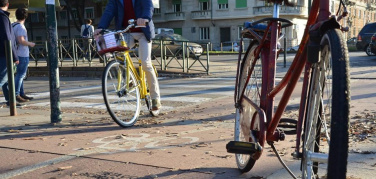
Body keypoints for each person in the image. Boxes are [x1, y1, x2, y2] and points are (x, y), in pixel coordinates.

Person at [95, 0, 161, 110]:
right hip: (126, 32)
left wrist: (145, 18)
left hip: (143, 32)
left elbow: (148, 6)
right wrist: (101, 27)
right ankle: (130, 79)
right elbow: (109, 12)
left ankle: (155, 98)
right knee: (119, 54)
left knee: (145, 63)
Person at [2, 8, 35, 104]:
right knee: (20, 75)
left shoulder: (13, 25)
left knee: (18, 75)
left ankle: (21, 93)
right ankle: (16, 94)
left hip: (15, 53)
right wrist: (30, 44)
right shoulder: (21, 27)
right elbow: (21, 41)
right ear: (26, 16)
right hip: (22, 53)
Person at [0, 0, 21, 107]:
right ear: (7, 5)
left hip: (3, 52)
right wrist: (14, 55)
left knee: (8, 79)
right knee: (3, 78)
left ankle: (10, 100)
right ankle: (11, 101)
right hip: (4, 53)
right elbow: (7, 38)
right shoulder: (3, 17)